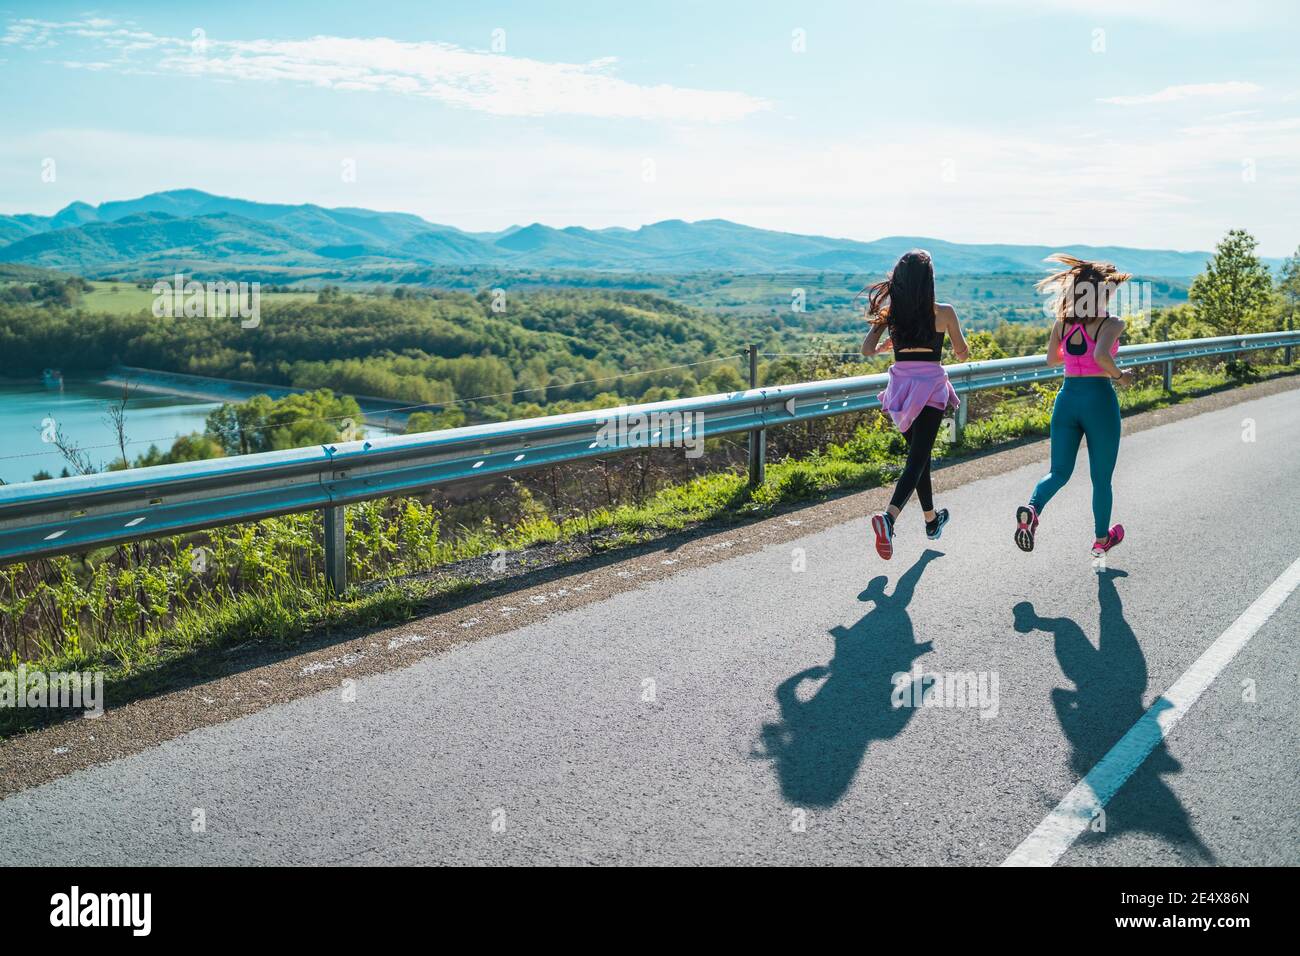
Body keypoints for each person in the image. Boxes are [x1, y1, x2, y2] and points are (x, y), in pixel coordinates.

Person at [1015, 254, 1133, 557]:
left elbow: (1052, 359)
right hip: (1098, 399)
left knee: (1058, 472)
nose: (1112, 296)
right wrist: (1120, 376)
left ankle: (1032, 509)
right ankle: (1100, 538)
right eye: (1110, 291)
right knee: (1101, 479)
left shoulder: (1063, 323)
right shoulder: (1111, 323)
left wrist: (1075, 355)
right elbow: (1101, 358)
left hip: (1067, 399)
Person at [859, 249, 969, 560]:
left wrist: (887, 346)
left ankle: (932, 521)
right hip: (931, 389)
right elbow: (962, 352)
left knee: (918, 458)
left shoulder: (892, 315)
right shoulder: (944, 312)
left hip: (901, 390)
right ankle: (889, 518)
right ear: (929, 281)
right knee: (917, 458)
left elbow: (867, 349)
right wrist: (961, 346)